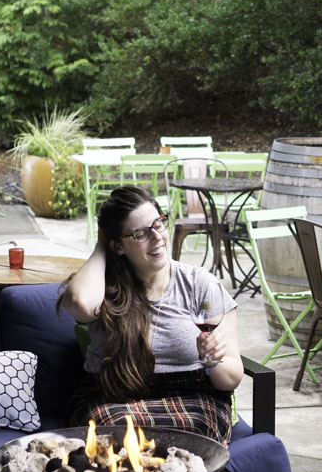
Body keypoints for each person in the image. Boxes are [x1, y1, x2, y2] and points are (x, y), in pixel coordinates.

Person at [59, 186, 242, 447]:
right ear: (118, 246)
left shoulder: (200, 285)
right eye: (141, 233)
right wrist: (102, 243)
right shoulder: (103, 287)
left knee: (193, 438)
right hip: (115, 399)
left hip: (192, 398)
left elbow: (231, 378)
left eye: (159, 224)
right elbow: (79, 303)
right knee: (114, 437)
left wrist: (213, 360)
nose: (157, 237)